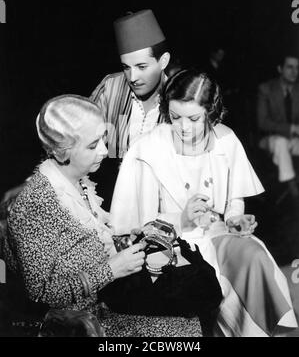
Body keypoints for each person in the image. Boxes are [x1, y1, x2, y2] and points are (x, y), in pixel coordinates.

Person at [110, 69, 298, 337]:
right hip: (170, 245)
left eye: (194, 118)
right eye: (175, 117)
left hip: (216, 234)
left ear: (211, 112)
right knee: (204, 284)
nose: (184, 127)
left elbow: (235, 197)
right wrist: (180, 219)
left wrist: (235, 218)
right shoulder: (148, 148)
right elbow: (137, 226)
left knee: (254, 255)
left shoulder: (225, 139)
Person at [3, 94, 205, 337]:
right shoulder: (36, 202)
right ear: (60, 151)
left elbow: (88, 244)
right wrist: (111, 269)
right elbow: (41, 293)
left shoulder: (79, 183)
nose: (103, 150)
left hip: (108, 301)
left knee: (190, 316)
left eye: (102, 140)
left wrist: (126, 241)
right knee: (181, 330)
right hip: (80, 324)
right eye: (92, 145)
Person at [89, 9, 170, 209]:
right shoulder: (111, 87)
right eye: (126, 67)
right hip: (108, 198)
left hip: (162, 204)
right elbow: (77, 137)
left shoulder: (180, 99)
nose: (132, 77)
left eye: (142, 67)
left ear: (163, 61)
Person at [257, 54, 299, 197]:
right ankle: (293, 188)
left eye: (297, 68)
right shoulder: (266, 89)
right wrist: (292, 128)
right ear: (280, 69)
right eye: (290, 67)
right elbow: (262, 122)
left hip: (294, 140)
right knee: (281, 144)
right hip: (271, 140)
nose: (294, 71)